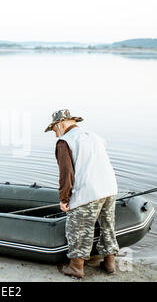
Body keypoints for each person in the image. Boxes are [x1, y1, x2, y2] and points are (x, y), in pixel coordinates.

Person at [45, 109, 119, 278]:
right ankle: (109, 263)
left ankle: (76, 267)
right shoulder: (95, 136)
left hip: (89, 190)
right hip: (110, 187)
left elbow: (66, 174)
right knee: (108, 225)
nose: (56, 135)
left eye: (55, 130)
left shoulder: (65, 142)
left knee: (78, 228)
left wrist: (63, 199)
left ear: (61, 124)